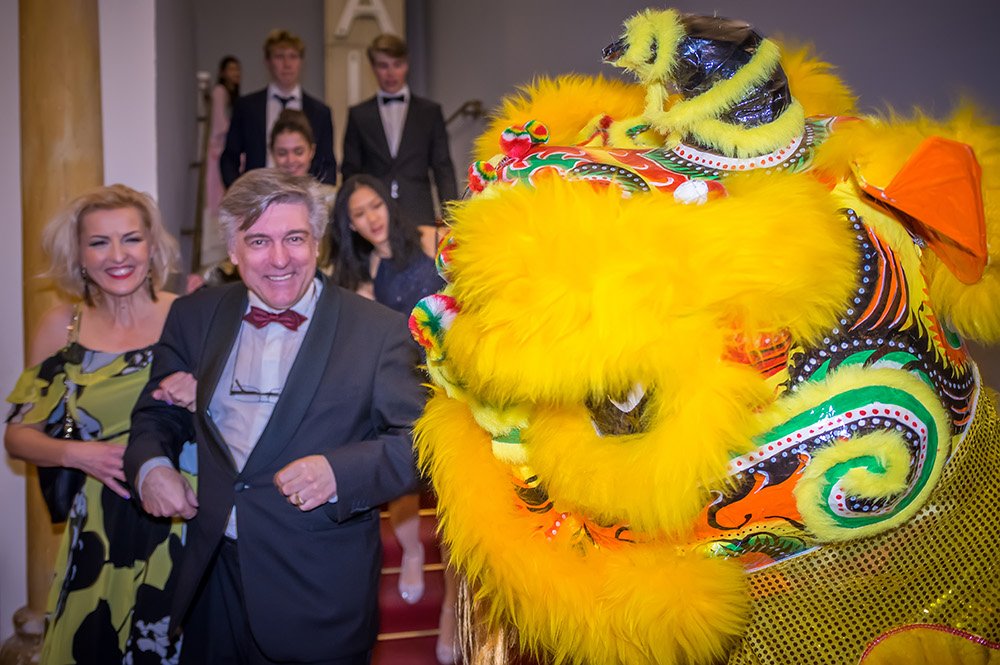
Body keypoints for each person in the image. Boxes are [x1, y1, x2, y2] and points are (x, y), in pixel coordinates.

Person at [125, 168, 424, 665]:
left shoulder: (380, 331)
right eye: (259, 241)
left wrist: (339, 472)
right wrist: (152, 468)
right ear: (233, 250)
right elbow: (155, 416)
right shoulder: (194, 315)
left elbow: (421, 446)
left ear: (318, 243)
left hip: (317, 588)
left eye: (295, 238)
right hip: (211, 581)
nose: (280, 258)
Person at [4, 184, 187, 664]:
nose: (117, 256)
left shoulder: (188, 313)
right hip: (98, 533)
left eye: (131, 239)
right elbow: (18, 435)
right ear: (79, 255)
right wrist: (78, 454)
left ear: (152, 246)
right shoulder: (61, 326)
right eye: (99, 242)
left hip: (180, 522)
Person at [331, 174, 456, 664]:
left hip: (452, 378)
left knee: (455, 496)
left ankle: (451, 609)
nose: (371, 218)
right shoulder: (364, 274)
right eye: (358, 214)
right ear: (350, 226)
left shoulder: (430, 237)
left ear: (389, 203)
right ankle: (411, 551)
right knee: (402, 466)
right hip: (406, 384)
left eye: (375, 206)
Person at [341, 33, 457, 233]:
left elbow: (443, 168)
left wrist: (452, 221)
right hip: (374, 217)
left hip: (419, 213)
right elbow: (351, 173)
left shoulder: (430, 112)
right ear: (372, 67)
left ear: (407, 64)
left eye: (397, 64)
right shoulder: (359, 115)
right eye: (383, 65)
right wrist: (351, 216)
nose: (391, 73)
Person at [221, 29, 336, 187]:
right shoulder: (246, 107)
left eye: (293, 56)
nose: (287, 64)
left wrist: (317, 198)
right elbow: (229, 158)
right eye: (279, 56)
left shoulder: (320, 112)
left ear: (301, 62)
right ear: (267, 62)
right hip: (258, 195)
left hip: (304, 196)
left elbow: (328, 164)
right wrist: (240, 194)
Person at [202, 55, 241, 268]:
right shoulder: (219, 92)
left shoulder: (232, 96)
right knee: (218, 204)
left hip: (224, 150)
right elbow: (219, 125)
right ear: (223, 72)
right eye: (231, 69)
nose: (236, 74)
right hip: (218, 153)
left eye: (238, 70)